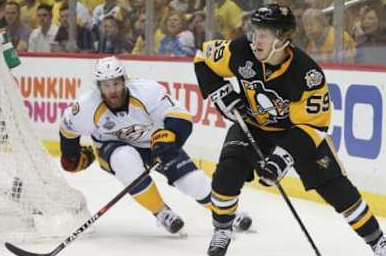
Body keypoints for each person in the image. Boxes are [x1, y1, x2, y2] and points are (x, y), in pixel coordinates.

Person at [193, 4, 386, 256]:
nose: (255, 39)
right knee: (227, 173)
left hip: (297, 133)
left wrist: (282, 158)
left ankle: (378, 241)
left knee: (337, 189)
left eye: (264, 35)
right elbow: (203, 55)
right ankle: (222, 229)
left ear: (282, 39)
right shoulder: (240, 50)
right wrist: (218, 91)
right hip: (252, 125)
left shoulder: (308, 74)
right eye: (255, 32)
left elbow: (313, 127)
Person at [59, 56, 252, 236]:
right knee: (125, 159)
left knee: (190, 180)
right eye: (106, 85)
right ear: (98, 86)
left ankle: (226, 213)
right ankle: (161, 212)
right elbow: (67, 129)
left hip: (153, 143)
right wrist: (71, 156)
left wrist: (168, 138)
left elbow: (181, 117)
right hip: (112, 147)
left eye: (116, 83)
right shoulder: (86, 107)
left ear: (124, 80)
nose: (112, 90)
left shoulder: (147, 92)